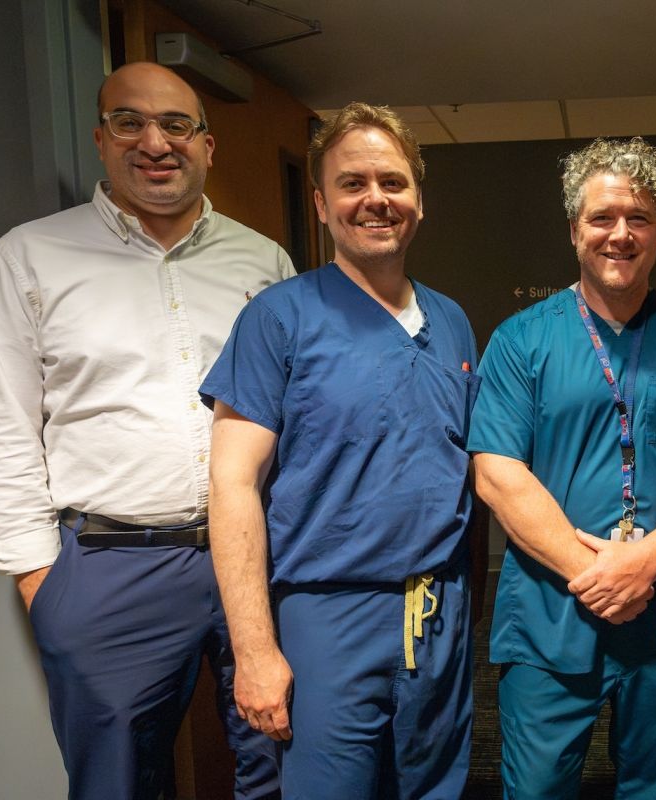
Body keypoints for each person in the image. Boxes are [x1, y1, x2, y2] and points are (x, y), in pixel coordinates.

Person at [0, 62, 290, 799]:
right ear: (100, 139)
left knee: (278, 764)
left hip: (254, 559)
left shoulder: (264, 261)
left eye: (176, 124)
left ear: (208, 145)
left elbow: (293, 417)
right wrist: (41, 580)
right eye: (129, 122)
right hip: (107, 566)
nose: (155, 142)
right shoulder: (29, 258)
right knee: (116, 784)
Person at [201, 102, 479, 799]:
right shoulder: (278, 318)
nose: (376, 199)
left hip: (438, 611)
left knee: (435, 787)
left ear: (418, 200)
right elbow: (232, 483)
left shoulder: (451, 322)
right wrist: (255, 650)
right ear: (322, 204)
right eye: (353, 184)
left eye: (393, 182)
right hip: (327, 614)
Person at [468, 137, 656, 799]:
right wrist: (596, 575)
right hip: (552, 613)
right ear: (575, 230)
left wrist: (645, 563)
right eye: (602, 218)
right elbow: (497, 473)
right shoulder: (521, 340)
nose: (619, 234)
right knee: (536, 788)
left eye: (639, 218)